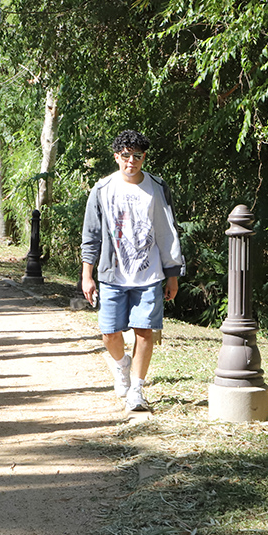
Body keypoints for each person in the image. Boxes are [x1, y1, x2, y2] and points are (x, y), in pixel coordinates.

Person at [81, 130, 185, 412]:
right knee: (109, 333)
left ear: (144, 157)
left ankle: (137, 390)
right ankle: (121, 365)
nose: (131, 161)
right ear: (117, 157)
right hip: (112, 274)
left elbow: (167, 233)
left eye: (136, 155)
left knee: (144, 332)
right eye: (125, 155)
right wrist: (87, 275)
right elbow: (91, 235)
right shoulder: (102, 189)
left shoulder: (157, 187)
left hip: (149, 274)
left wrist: (172, 273)